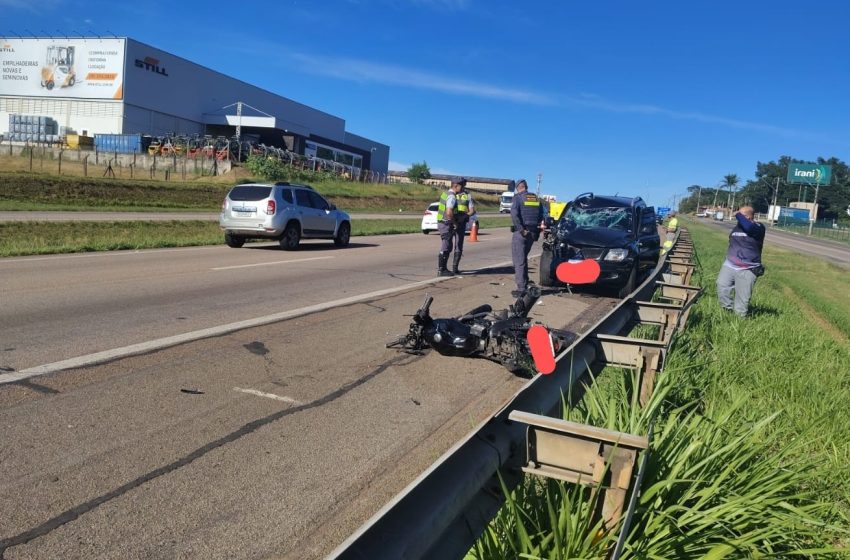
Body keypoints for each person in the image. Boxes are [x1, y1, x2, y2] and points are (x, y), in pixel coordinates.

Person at [716, 206, 765, 317]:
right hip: (730, 265)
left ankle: (739, 319)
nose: (737, 217)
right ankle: (727, 312)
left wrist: (737, 214)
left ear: (748, 217)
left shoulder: (758, 227)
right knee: (721, 286)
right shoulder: (737, 228)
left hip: (748, 268)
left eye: (740, 215)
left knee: (742, 298)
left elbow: (749, 228)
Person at [510, 179, 544, 295]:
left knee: (518, 260)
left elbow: (514, 215)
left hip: (522, 233)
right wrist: (536, 232)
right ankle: (525, 281)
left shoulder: (517, 198)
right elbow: (541, 215)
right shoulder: (535, 198)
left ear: (518, 188)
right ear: (526, 186)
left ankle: (521, 288)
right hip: (532, 233)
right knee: (523, 257)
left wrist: (521, 230)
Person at [436, 177, 465, 277]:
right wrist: (455, 223)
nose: (462, 188)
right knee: (446, 246)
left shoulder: (445, 194)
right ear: (456, 186)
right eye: (462, 186)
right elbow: (449, 212)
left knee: (447, 245)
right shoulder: (452, 196)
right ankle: (442, 269)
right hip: (446, 224)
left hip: (442, 223)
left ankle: (442, 269)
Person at [451, 179, 475, 274]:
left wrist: (465, 216)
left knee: (459, 244)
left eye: (463, 184)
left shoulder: (467, 195)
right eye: (461, 184)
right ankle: (443, 268)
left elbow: (472, 210)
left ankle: (455, 267)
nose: (463, 186)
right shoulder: (451, 194)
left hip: (461, 222)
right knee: (447, 245)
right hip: (451, 221)